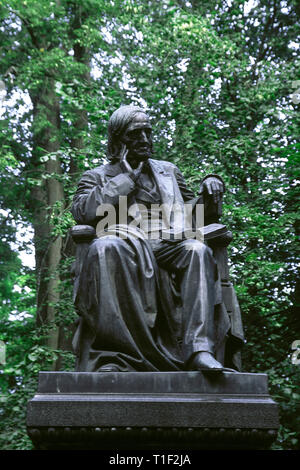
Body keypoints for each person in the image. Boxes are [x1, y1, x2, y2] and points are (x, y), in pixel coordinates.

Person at [71, 105, 240, 372]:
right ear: (118, 140)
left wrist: (210, 190)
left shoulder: (168, 171)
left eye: (148, 132)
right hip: (124, 244)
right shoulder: (97, 176)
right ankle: (116, 355)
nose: (146, 140)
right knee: (105, 247)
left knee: (197, 250)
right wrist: (125, 179)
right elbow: (83, 212)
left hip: (169, 242)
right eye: (136, 134)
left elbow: (194, 213)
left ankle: (199, 350)